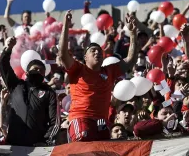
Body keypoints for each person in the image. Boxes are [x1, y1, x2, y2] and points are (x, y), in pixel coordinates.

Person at [59, 10, 138, 142]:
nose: (97, 53)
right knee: (83, 145)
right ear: (85, 57)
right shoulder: (77, 69)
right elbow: (62, 55)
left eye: (100, 51)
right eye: (93, 51)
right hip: (81, 118)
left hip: (102, 123)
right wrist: (65, 27)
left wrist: (133, 34)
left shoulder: (109, 70)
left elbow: (130, 60)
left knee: (103, 155)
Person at [0, 37, 59, 146]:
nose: (38, 71)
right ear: (27, 72)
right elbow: (4, 66)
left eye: (42, 71)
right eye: (35, 69)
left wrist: (46, 142)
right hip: (13, 144)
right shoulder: (16, 85)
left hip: (37, 147)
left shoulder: (49, 92)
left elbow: (55, 122)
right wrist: (8, 49)